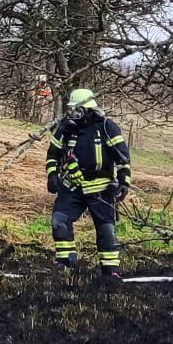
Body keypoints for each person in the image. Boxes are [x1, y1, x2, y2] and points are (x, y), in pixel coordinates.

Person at [46, 87, 132, 279]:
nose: (73, 114)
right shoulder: (65, 129)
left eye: (76, 109)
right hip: (72, 186)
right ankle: (66, 263)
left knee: (106, 229)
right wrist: (52, 176)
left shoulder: (106, 127)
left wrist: (124, 182)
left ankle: (111, 271)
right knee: (59, 222)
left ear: (87, 109)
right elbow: (52, 155)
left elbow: (123, 159)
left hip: (101, 188)